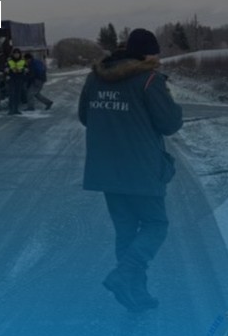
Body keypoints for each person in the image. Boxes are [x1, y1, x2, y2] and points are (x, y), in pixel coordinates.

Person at [78, 28, 183, 312]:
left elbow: (85, 117)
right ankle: (124, 276)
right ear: (146, 55)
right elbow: (170, 123)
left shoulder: (95, 78)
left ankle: (135, 292)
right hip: (141, 168)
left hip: (106, 169)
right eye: (155, 54)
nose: (157, 59)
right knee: (155, 225)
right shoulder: (148, 80)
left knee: (126, 231)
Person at [5, 48, 28, 115]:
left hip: (19, 79)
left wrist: (22, 70)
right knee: (11, 94)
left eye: (17, 54)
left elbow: (27, 69)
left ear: (20, 54)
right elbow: (5, 69)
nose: (16, 55)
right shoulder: (9, 61)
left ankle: (16, 109)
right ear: (13, 54)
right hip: (12, 79)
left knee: (18, 95)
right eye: (15, 54)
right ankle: (11, 109)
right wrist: (10, 71)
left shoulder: (23, 61)